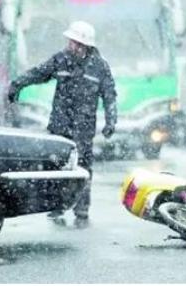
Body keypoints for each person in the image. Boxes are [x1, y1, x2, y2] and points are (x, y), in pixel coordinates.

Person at [7, 20, 117, 228]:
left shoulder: (100, 67)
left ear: (86, 46)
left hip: (83, 128)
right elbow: (38, 73)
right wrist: (17, 85)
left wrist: (111, 120)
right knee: (57, 166)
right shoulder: (61, 60)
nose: (71, 46)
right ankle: (57, 205)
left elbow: (110, 95)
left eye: (75, 43)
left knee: (83, 167)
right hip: (59, 125)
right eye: (70, 42)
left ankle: (81, 208)